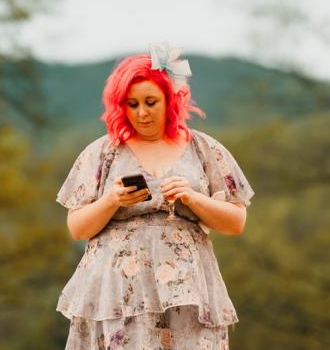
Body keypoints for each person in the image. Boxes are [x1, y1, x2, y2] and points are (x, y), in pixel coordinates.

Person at [56, 43, 254, 349]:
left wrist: (192, 198)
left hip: (187, 290)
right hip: (117, 291)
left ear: (170, 99)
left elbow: (236, 222)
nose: (142, 112)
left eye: (150, 101)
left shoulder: (204, 149)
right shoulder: (102, 152)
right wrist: (112, 201)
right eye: (132, 104)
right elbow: (77, 228)